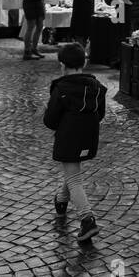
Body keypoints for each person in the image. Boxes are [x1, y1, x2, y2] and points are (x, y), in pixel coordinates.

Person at [44, 42, 107, 244]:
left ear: (62, 65)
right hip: (89, 137)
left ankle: (87, 220)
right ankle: (61, 201)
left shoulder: (61, 88)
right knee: (73, 173)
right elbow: (100, 113)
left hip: (69, 137)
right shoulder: (97, 87)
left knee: (74, 179)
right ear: (84, 63)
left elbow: (50, 120)